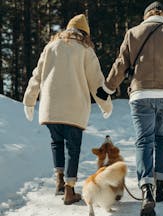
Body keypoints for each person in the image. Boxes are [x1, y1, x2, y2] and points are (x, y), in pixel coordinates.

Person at [96, 2, 163, 216]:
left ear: (146, 16)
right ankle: (161, 187)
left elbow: (121, 64)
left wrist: (108, 88)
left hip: (140, 95)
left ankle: (146, 189)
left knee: (144, 140)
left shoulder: (133, 33)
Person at [23, 14, 112, 205]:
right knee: (73, 148)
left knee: (56, 143)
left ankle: (59, 182)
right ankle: (70, 190)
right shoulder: (85, 50)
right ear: (84, 34)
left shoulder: (50, 47)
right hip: (74, 108)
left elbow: (36, 76)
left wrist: (29, 101)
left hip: (51, 107)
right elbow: (97, 82)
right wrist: (106, 105)